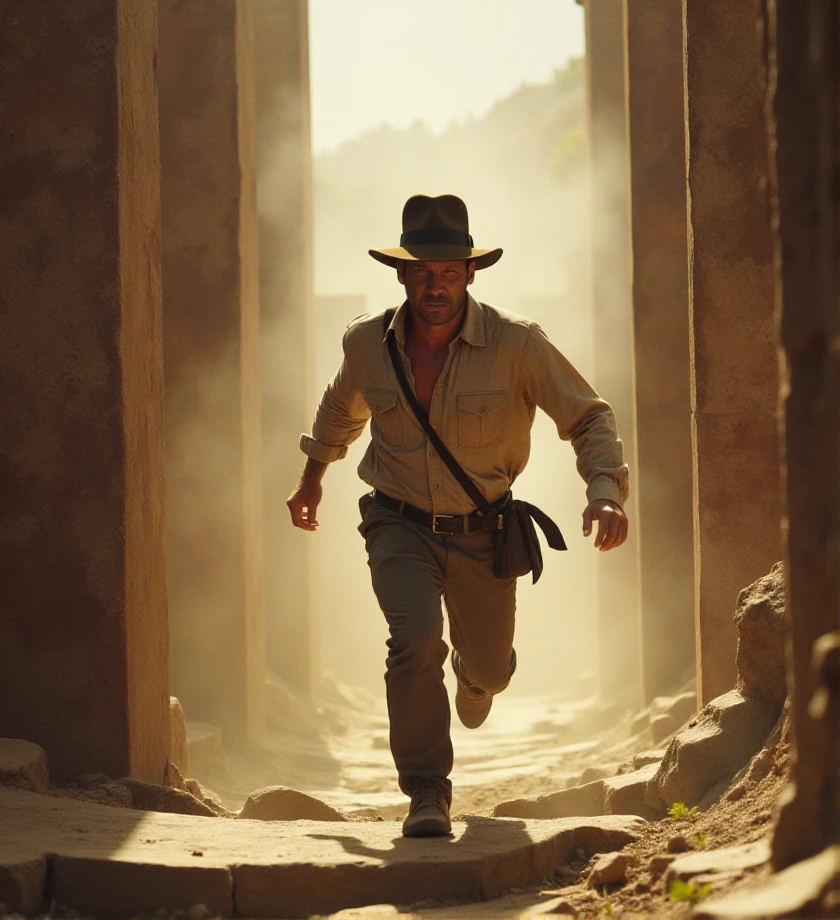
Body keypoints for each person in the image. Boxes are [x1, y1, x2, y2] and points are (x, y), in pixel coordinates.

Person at [287, 194, 629, 838]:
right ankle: (426, 792)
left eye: (447, 271)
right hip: (397, 523)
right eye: (421, 271)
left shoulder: (518, 345)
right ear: (401, 275)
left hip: (485, 534)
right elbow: (340, 412)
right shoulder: (367, 343)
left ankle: (478, 679)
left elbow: (588, 416)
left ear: (471, 273)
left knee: (490, 668)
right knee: (413, 640)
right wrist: (311, 480)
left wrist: (604, 491)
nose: (434, 285)